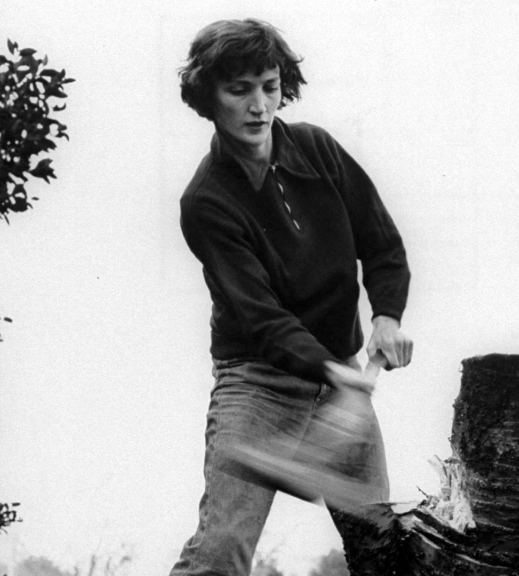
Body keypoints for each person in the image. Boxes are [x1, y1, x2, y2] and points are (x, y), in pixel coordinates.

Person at [170, 18, 412, 576]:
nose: (259, 106)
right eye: (239, 90)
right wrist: (333, 370)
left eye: (270, 86)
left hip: (342, 381)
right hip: (258, 383)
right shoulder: (205, 202)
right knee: (220, 554)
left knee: (383, 553)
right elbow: (261, 317)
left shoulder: (318, 149)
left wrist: (387, 317)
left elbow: (381, 243)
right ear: (208, 97)